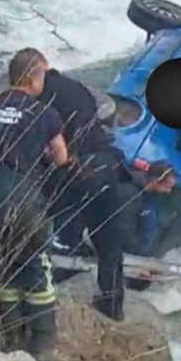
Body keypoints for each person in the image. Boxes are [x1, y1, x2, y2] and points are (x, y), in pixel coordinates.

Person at [0, 48, 69, 359]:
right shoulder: (45, 113)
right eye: (44, 75)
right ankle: (42, 339)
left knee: (4, 259)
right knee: (36, 261)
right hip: (24, 194)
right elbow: (61, 156)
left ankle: (12, 332)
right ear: (32, 77)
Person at [35, 54, 128, 321]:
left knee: (51, 223)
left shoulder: (41, 99)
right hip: (105, 165)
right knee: (109, 241)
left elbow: (50, 144)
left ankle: (43, 290)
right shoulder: (78, 88)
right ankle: (112, 304)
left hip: (75, 168)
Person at [117, 159, 178, 291]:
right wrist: (137, 261)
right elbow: (124, 231)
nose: (168, 191)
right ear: (155, 180)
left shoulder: (150, 195)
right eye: (166, 187)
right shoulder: (131, 195)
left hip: (140, 253)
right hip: (126, 254)